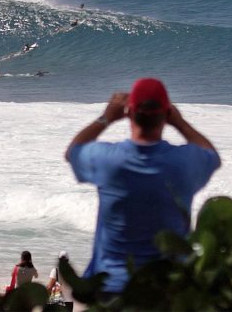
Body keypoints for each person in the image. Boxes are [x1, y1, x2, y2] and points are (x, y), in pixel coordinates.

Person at [65, 78, 221, 297]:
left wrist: (106, 117)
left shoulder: (107, 160)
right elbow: (212, 155)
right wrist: (180, 123)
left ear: (128, 113)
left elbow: (74, 151)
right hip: (168, 291)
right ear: (166, 115)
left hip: (111, 291)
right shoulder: (184, 163)